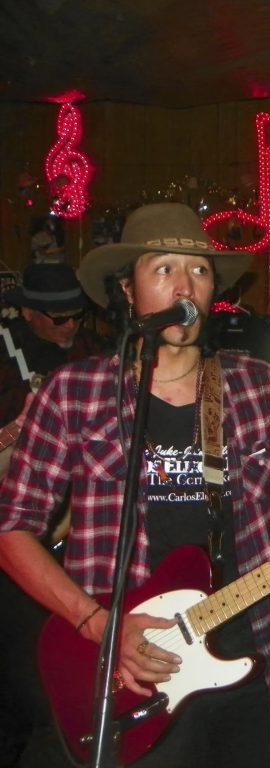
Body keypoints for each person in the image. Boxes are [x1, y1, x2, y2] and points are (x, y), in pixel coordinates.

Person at [0, 203, 270, 768]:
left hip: (251, 648)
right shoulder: (74, 392)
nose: (185, 286)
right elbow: (11, 529)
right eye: (164, 269)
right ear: (127, 289)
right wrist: (100, 625)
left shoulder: (255, 385)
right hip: (131, 664)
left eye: (199, 271)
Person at [0, 263, 109, 767]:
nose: (70, 327)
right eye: (58, 318)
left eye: (76, 316)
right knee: (24, 684)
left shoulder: (94, 353)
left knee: (71, 677)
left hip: (79, 541)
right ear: (26, 312)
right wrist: (12, 435)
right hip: (14, 541)